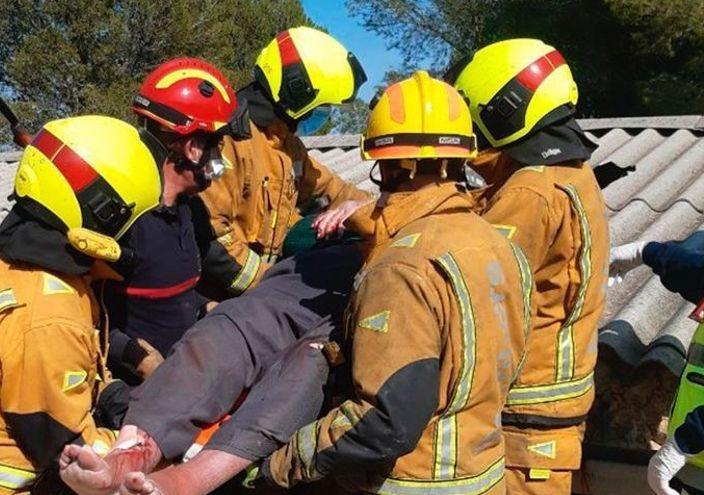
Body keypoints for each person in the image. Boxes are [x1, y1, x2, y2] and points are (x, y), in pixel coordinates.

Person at [64, 71, 533, 495]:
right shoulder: (501, 246)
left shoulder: (399, 266)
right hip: (481, 473)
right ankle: (135, 450)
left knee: (289, 347)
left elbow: (383, 419)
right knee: (242, 327)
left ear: (388, 166)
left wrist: (274, 468)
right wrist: (363, 216)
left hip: (409, 481)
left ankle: (184, 475)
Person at [0, 116, 164, 495]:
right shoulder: (50, 313)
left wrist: (109, 392)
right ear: (102, 213)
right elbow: (70, 448)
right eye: (131, 223)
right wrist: (136, 444)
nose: (133, 237)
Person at [59, 241, 362, 495]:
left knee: (309, 361)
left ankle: (186, 481)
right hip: (328, 266)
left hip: (348, 284)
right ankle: (128, 453)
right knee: (224, 334)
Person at [446, 38, 609, 494]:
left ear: (501, 111)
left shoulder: (529, 194)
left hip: (526, 421)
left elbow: (468, 280)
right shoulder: (573, 174)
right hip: (553, 412)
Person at [197, 26, 372, 298]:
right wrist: (270, 284)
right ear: (297, 92)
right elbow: (212, 239)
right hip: (219, 296)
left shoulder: (288, 145)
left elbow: (333, 190)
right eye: (322, 107)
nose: (323, 115)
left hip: (264, 287)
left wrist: (377, 210)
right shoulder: (230, 140)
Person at [102, 58, 244, 385]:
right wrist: (138, 360)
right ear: (193, 148)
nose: (220, 161)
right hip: (137, 398)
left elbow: (172, 295)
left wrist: (209, 308)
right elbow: (88, 320)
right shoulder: (126, 221)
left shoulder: (189, 211)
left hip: (188, 378)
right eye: (216, 147)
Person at [610, 232, 704, 495]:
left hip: (689, 450)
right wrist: (644, 252)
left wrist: (684, 444)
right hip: (692, 467)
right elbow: (690, 270)